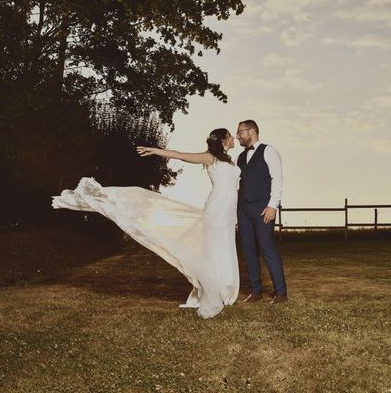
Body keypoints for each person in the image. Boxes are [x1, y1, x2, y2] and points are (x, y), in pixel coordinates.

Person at [51, 128, 240, 319]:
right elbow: (181, 156)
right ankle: (213, 293)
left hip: (229, 209)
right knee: (213, 248)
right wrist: (156, 151)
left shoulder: (230, 160)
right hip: (217, 208)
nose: (234, 138)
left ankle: (224, 289)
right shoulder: (210, 158)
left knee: (224, 247)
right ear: (224, 140)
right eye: (231, 136)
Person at [235, 119, 288, 304]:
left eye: (240, 132)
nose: (237, 136)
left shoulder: (269, 151)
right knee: (248, 249)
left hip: (263, 208)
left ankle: (280, 293)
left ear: (251, 132)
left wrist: (273, 204)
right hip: (243, 209)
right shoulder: (240, 157)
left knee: (267, 247)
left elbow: (277, 178)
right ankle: (255, 291)